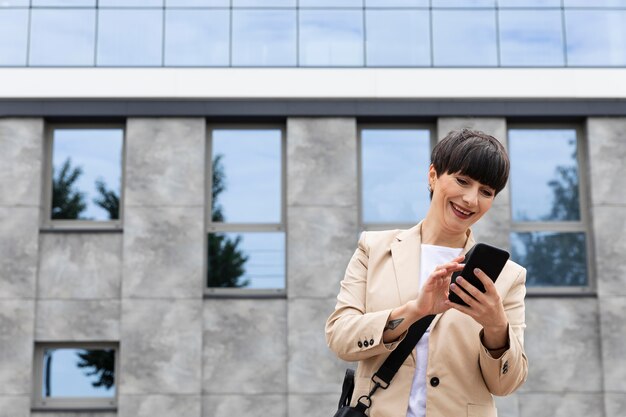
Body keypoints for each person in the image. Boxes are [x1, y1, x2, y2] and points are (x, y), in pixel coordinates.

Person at [326, 129, 528, 417]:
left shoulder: (508, 277)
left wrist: (496, 327)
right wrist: (414, 310)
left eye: (486, 192)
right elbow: (340, 337)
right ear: (433, 175)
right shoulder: (375, 248)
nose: (471, 199)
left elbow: (506, 384)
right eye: (462, 181)